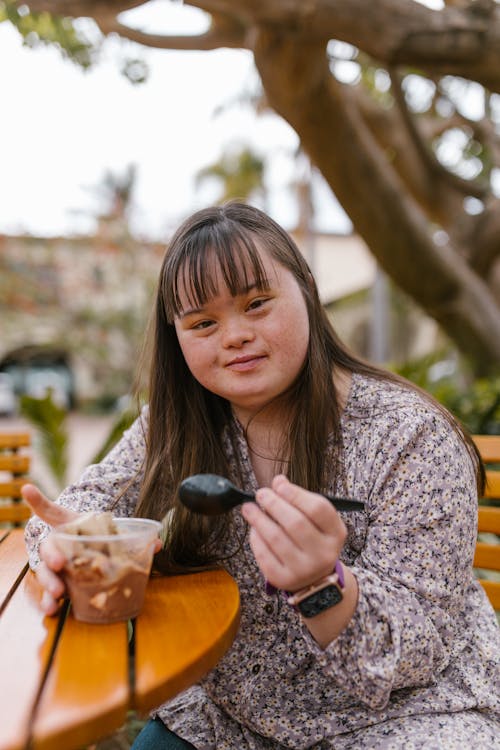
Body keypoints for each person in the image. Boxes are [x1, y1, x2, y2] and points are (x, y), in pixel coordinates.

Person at [23, 202, 499, 750]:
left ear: (306, 292)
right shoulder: (179, 424)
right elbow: (79, 507)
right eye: (203, 322)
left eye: (257, 303)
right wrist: (66, 545)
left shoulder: (408, 438)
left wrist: (322, 585)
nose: (234, 336)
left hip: (405, 718)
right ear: (176, 338)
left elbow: (415, 651)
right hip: (230, 720)